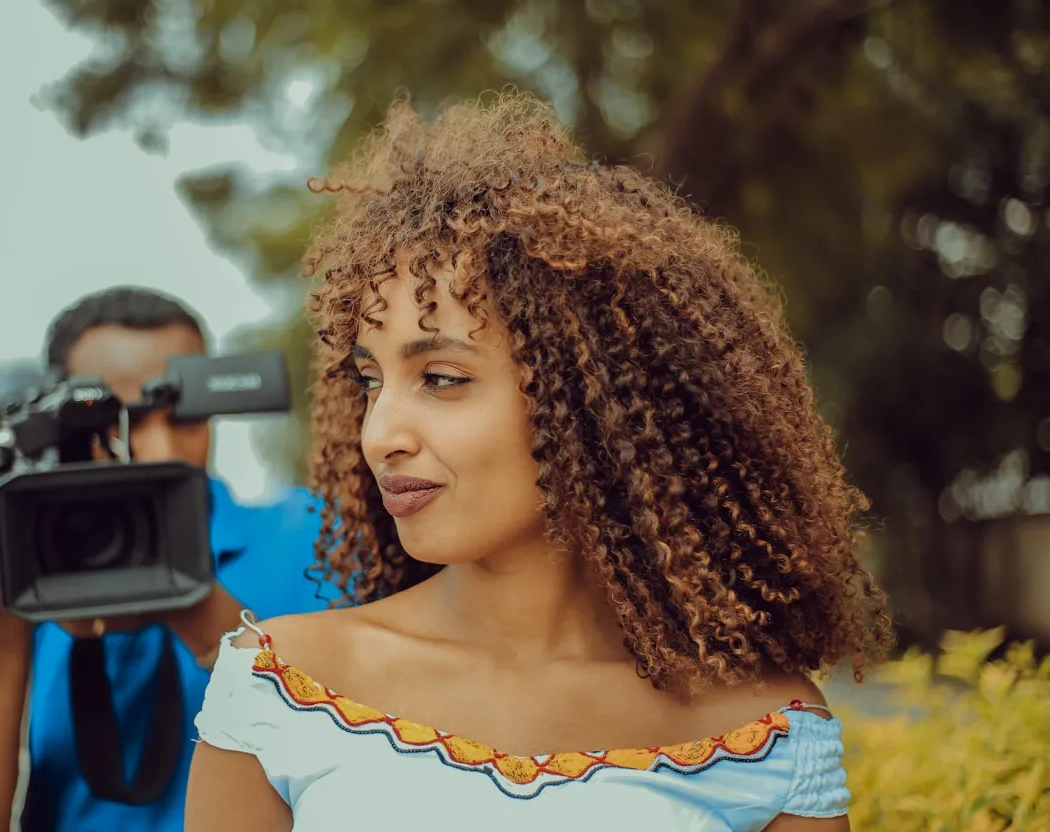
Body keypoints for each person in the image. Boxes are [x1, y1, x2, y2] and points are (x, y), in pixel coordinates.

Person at [184, 92, 894, 832]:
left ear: (592, 401)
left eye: (442, 378)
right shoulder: (281, 686)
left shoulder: (765, 734)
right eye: (370, 381)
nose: (380, 434)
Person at [0, 287, 330, 832]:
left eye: (184, 419)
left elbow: (362, 753)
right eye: (119, 425)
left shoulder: (312, 538)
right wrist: (2, 621)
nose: (160, 451)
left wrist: (194, 603)